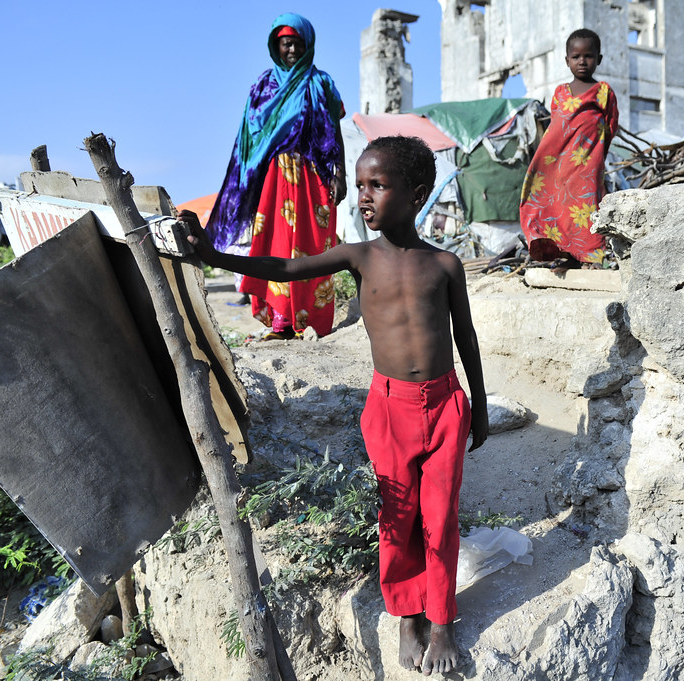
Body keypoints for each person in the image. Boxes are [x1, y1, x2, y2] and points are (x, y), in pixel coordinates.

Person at [182, 136, 488, 676]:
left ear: (417, 195)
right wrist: (212, 256)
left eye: (378, 185)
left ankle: (441, 620)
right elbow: (284, 267)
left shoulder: (444, 265)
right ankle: (405, 616)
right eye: (361, 185)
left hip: (444, 406)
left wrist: (479, 407)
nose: (364, 197)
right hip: (388, 408)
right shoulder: (358, 257)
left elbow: (465, 338)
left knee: (440, 518)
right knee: (398, 515)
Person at [206, 12, 347, 339]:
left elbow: (335, 131)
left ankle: (311, 321)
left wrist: (339, 172)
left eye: (298, 43)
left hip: (315, 175)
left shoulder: (321, 82)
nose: (292, 50)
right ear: (275, 46)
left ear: (308, 44)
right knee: (277, 246)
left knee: (315, 246)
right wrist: (247, 183)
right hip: (275, 177)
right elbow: (249, 136)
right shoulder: (263, 85)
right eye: (286, 44)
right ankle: (282, 320)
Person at [519, 28, 619, 268]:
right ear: (567, 61)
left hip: (588, 164)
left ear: (599, 59)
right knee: (559, 206)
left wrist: (595, 155)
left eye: (588, 56)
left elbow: (611, 125)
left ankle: (591, 255)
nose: (582, 61)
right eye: (576, 57)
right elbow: (556, 129)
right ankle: (564, 253)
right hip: (559, 164)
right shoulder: (560, 93)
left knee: (587, 207)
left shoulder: (604, 92)